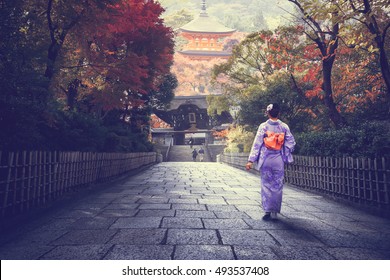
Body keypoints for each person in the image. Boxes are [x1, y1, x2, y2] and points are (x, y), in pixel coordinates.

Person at [245, 103, 296, 221]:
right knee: (277, 184)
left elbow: (257, 144)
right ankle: (275, 211)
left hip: (266, 159)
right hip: (278, 159)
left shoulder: (263, 126)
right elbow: (291, 143)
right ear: (279, 113)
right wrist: (283, 150)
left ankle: (267, 210)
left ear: (268, 113)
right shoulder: (284, 127)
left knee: (266, 184)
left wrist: (250, 160)